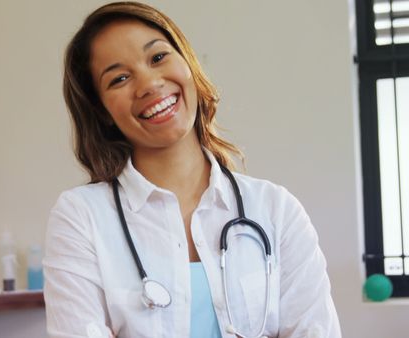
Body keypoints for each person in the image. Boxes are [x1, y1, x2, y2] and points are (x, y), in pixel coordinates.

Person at [43, 2, 341, 338]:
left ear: (188, 63)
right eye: (120, 78)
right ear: (102, 111)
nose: (149, 84)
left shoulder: (276, 210)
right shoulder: (81, 217)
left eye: (158, 58)